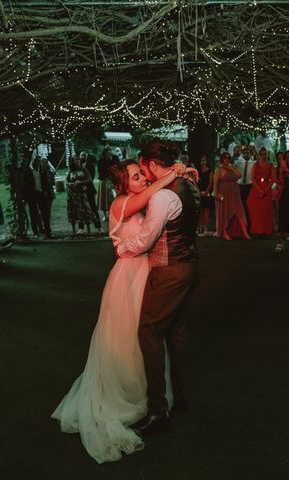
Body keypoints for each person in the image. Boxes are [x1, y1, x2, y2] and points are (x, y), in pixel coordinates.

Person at [52, 157, 194, 463]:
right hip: (127, 277)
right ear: (122, 184)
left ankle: (149, 395)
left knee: (146, 337)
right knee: (126, 337)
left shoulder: (142, 201)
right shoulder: (120, 204)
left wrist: (180, 171)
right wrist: (172, 172)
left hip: (145, 274)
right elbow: (147, 198)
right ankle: (127, 397)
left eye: (141, 174)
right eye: (135, 176)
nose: (142, 179)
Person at [116, 140, 201, 437]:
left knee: (149, 331)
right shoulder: (188, 183)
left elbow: (147, 240)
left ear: (152, 166)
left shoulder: (163, 197)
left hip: (169, 272)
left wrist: (123, 248)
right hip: (190, 267)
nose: (143, 175)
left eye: (142, 169)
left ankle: (157, 409)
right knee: (176, 334)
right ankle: (180, 397)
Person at [214, 152, 251, 240]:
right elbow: (215, 183)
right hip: (224, 193)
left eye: (228, 158)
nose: (226, 159)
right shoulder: (219, 170)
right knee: (225, 212)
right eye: (225, 158)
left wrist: (229, 168)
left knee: (239, 211)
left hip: (234, 194)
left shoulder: (232, 167)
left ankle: (244, 231)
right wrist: (216, 194)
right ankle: (225, 232)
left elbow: (239, 175)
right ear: (222, 159)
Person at [66, 156, 101, 235]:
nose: (76, 161)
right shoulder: (71, 170)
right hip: (73, 193)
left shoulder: (83, 169)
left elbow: (90, 179)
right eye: (74, 160)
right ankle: (75, 230)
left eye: (77, 159)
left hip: (82, 192)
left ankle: (91, 229)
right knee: (74, 210)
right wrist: (68, 184)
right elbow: (66, 179)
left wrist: (80, 182)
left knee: (86, 209)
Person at [246, 148, 277, 235]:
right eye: (262, 154)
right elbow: (252, 178)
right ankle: (255, 228)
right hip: (256, 188)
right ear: (259, 155)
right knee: (253, 207)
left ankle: (266, 229)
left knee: (265, 210)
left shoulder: (271, 166)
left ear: (267, 154)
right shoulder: (255, 165)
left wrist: (265, 190)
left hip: (267, 188)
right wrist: (259, 190)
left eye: (265, 154)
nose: (263, 156)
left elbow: (273, 179)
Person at [25, 156, 55, 239]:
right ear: (33, 162)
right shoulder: (28, 172)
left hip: (41, 193)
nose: (38, 164)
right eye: (36, 162)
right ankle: (36, 233)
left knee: (44, 214)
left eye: (39, 162)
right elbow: (26, 184)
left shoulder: (42, 171)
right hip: (32, 194)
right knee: (33, 214)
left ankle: (48, 232)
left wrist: (45, 191)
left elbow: (45, 182)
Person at [80, 152, 102, 232]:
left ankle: (99, 227)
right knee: (81, 209)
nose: (83, 156)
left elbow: (91, 177)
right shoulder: (77, 166)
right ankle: (81, 228)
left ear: (87, 157)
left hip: (89, 189)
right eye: (81, 155)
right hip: (80, 191)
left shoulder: (90, 165)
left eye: (84, 155)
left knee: (93, 207)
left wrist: (84, 183)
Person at [97, 147, 119, 221]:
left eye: (110, 150)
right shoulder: (101, 161)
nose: (109, 152)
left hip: (114, 181)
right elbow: (100, 171)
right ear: (104, 153)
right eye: (107, 151)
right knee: (104, 198)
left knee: (113, 198)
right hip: (104, 181)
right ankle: (105, 215)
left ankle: (113, 214)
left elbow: (119, 168)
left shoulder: (115, 158)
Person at [233, 145, 255, 213]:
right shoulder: (239, 162)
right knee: (240, 203)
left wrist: (254, 151)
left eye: (248, 152)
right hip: (240, 185)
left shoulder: (253, 163)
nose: (246, 154)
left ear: (250, 154)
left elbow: (259, 159)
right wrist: (235, 153)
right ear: (243, 154)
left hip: (249, 185)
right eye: (245, 152)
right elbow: (231, 163)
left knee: (249, 203)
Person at [197, 154, 214, 236]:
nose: (203, 162)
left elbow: (210, 183)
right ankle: (199, 227)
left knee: (206, 211)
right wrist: (199, 192)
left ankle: (206, 227)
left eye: (204, 160)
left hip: (207, 193)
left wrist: (207, 191)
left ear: (207, 161)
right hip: (199, 192)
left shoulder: (210, 171)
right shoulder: (197, 171)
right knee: (199, 211)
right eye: (201, 160)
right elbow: (195, 182)